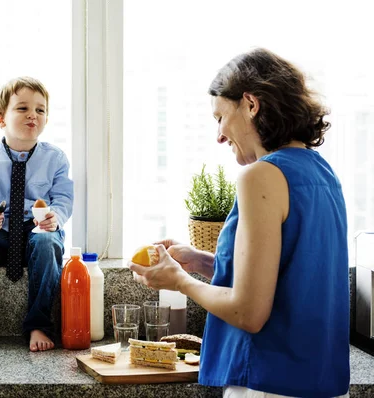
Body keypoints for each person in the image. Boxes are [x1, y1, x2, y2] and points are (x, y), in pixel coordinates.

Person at [129, 48, 349, 398]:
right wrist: (202, 263)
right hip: (321, 384)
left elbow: (249, 312)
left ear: (250, 104)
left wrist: (179, 281)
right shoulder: (322, 172)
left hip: (267, 383)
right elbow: (288, 278)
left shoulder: (260, 176)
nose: (219, 134)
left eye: (220, 117)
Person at [0, 76, 74, 352]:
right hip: (0, 231)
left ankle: (38, 324)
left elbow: (64, 198)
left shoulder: (55, 159)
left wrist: (55, 216)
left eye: (40, 110)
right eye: (22, 108)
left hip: (37, 230)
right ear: (0, 118)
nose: (33, 114)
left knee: (47, 242)